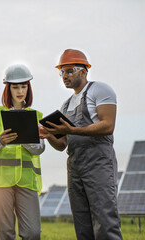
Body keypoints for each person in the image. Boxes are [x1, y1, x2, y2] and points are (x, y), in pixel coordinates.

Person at [39, 49, 123, 240]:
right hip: (75, 166)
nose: (64, 76)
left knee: (104, 221)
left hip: (98, 163)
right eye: (62, 72)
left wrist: (73, 130)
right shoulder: (66, 105)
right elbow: (62, 144)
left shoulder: (100, 90)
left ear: (83, 71)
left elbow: (108, 125)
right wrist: (48, 134)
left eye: (69, 71)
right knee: (82, 224)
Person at [0, 64, 45, 240]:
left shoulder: (35, 116)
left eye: (24, 86)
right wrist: (0, 142)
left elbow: (40, 148)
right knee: (5, 234)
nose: (20, 91)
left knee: (33, 232)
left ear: (28, 88)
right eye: (15, 86)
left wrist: (24, 138)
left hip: (26, 181)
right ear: (8, 88)